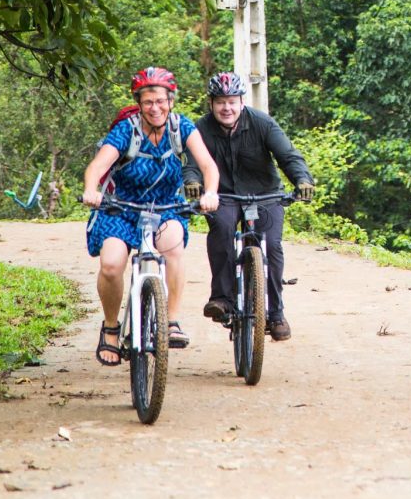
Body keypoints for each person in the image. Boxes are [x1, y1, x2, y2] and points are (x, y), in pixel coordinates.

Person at [83, 67, 220, 365]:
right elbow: (96, 166)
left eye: (160, 101)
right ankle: (110, 328)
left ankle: (171, 321)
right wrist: (91, 190)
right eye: (148, 102)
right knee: (111, 264)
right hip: (122, 207)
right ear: (139, 104)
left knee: (173, 247)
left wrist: (210, 193)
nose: (155, 108)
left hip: (165, 205)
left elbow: (208, 166)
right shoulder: (126, 130)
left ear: (170, 100)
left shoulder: (181, 127)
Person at [183, 71, 314, 341]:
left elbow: (288, 156)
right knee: (221, 229)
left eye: (232, 101)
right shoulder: (201, 129)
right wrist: (194, 182)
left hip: (266, 195)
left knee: (272, 246)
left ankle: (276, 314)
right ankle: (222, 300)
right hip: (224, 196)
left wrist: (302, 179)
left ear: (242, 101)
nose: (226, 107)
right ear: (211, 104)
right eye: (220, 102)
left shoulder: (262, 124)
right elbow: (192, 164)